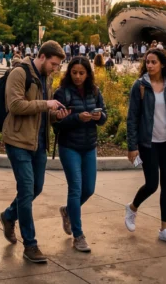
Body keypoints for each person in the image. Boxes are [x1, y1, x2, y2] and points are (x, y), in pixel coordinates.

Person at [0, 41, 68, 264]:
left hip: (38, 142)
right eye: (54, 64)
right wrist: (46, 104)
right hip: (18, 140)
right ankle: (31, 244)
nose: (55, 69)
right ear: (43, 57)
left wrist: (56, 114)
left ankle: (8, 215)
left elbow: (41, 111)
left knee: (36, 187)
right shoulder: (19, 73)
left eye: (58, 66)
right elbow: (15, 105)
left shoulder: (46, 76)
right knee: (27, 190)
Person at [124, 48, 166, 245]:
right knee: (152, 184)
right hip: (148, 144)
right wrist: (132, 146)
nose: (150, 65)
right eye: (148, 62)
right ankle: (132, 208)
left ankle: (164, 229)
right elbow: (132, 118)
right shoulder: (140, 86)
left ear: (162, 63)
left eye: (154, 62)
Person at [51, 56, 106, 253]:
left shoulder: (94, 91)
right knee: (75, 188)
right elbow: (56, 123)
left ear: (88, 73)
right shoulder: (62, 92)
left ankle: (68, 211)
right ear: (69, 72)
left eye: (82, 73)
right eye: (74, 72)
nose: (77, 76)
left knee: (88, 189)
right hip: (69, 146)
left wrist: (100, 117)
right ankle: (78, 235)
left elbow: (104, 116)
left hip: (89, 146)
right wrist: (76, 118)